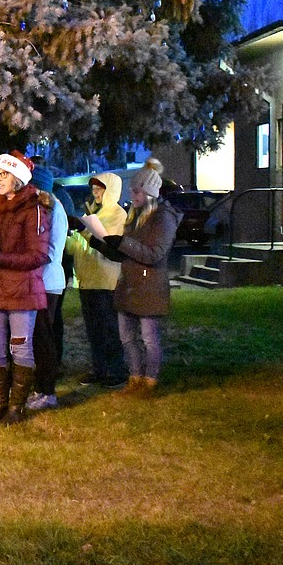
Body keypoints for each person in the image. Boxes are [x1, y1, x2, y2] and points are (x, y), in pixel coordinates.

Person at [90, 162, 182, 398]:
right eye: (132, 191)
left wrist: (122, 242)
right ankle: (135, 377)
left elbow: (154, 254)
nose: (132, 195)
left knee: (149, 338)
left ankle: (150, 380)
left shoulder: (163, 218)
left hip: (148, 285)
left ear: (150, 192)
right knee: (127, 337)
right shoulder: (135, 216)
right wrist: (100, 243)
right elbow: (125, 253)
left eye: (137, 191)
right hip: (129, 285)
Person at [0, 152, 50, 426]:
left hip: (22, 291)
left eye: (4, 174)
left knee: (20, 349)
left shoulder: (35, 208)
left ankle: (16, 406)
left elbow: (38, 256)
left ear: (18, 177)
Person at [66, 172, 129, 390]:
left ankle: (117, 370)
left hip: (106, 279)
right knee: (94, 329)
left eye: (100, 188)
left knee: (109, 328)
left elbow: (107, 245)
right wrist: (70, 238)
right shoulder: (93, 213)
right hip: (87, 280)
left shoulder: (118, 216)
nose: (95, 192)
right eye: (93, 187)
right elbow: (80, 246)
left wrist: (84, 231)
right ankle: (99, 368)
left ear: (110, 189)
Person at [24, 166, 69, 411]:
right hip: (38, 280)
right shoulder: (41, 207)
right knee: (37, 338)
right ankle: (38, 388)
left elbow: (51, 251)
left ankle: (47, 391)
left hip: (48, 282)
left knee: (44, 338)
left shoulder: (54, 209)